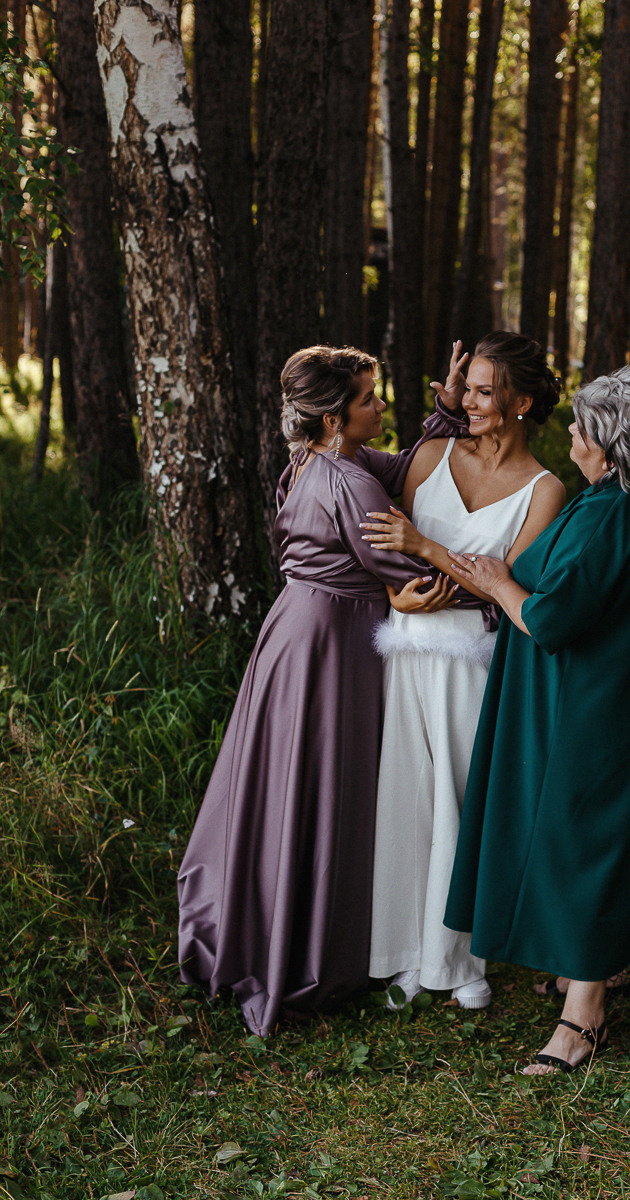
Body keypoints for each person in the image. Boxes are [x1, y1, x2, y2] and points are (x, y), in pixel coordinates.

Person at [177, 344, 465, 1035]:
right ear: (335, 417)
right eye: (370, 399)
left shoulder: (315, 463)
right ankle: (306, 951)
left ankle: (267, 930)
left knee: (283, 785)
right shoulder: (351, 482)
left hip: (293, 633)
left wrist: (446, 412)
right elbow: (412, 578)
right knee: (322, 785)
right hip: (333, 644)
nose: (381, 406)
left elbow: (401, 468)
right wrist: (458, 586)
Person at [443, 365, 630, 1072]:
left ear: (610, 448)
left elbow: (551, 619)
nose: (572, 432)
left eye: (584, 427)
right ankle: (590, 961)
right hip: (615, 693)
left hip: (590, 703)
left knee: (585, 836)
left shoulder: (611, 516)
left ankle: (583, 1020)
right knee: (594, 830)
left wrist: (497, 583)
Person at [360, 332, 566, 1011]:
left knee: (459, 803)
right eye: (468, 388)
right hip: (407, 649)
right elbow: (382, 551)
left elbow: (508, 592)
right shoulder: (429, 455)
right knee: (406, 798)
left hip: (476, 664)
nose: (467, 402)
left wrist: (425, 546)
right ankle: (402, 956)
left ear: (522, 402)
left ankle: (459, 959)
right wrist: (397, 588)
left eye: (484, 392)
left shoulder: (545, 490)